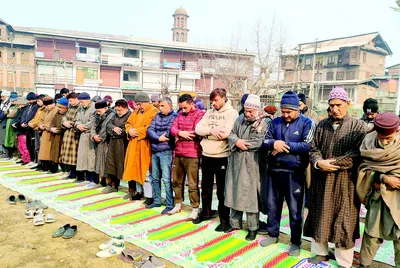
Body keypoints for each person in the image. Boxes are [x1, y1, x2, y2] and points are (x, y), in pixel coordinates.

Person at [304, 87, 367, 267]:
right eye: (331, 105)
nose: (334, 109)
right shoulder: (322, 125)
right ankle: (321, 253)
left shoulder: (358, 126)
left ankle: (344, 261)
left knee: (344, 220)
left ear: (348, 104)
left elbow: (357, 153)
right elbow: (313, 148)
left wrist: (332, 163)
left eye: (338, 105)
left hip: (345, 182)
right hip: (321, 181)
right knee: (319, 215)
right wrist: (318, 162)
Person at [260, 91, 315, 256]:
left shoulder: (307, 123)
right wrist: (273, 143)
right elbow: (265, 141)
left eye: (288, 112)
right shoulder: (275, 122)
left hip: (294, 173)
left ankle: (295, 242)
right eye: (283, 111)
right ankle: (272, 234)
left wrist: (283, 146)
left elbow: (307, 145)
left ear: (297, 109)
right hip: (274, 170)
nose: (285, 115)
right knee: (272, 205)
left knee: (295, 210)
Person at [357, 112, 400, 267]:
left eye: (388, 138)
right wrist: (383, 178)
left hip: (398, 199)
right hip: (377, 197)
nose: (383, 141)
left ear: (397, 131)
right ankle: (364, 264)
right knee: (371, 233)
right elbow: (363, 169)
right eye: (380, 137)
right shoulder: (368, 141)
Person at [224, 94, 268, 241]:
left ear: (257, 109)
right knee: (234, 191)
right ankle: (234, 223)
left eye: (251, 111)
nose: (248, 114)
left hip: (252, 164)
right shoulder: (239, 119)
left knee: (251, 196)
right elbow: (231, 134)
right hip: (236, 161)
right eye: (246, 110)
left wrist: (242, 143)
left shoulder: (265, 121)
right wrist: (236, 142)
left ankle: (253, 227)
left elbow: (260, 141)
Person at [194, 88, 239, 232]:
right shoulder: (209, 112)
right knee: (205, 188)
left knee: (221, 191)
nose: (214, 103)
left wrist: (207, 133)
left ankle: (224, 220)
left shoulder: (232, 113)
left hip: (222, 157)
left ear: (224, 98)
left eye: (216, 100)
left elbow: (226, 133)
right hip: (207, 154)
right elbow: (198, 129)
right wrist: (211, 131)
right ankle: (205, 213)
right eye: (212, 101)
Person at [168, 94, 204, 219]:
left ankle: (195, 207)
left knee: (193, 184)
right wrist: (180, 132)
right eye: (181, 108)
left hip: (192, 153)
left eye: (185, 107)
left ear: (191, 103)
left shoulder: (200, 115)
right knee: (176, 181)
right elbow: (172, 128)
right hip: (178, 153)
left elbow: (196, 132)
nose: (183, 110)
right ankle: (178, 204)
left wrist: (179, 135)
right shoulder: (179, 115)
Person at [122, 92, 158, 203]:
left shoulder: (154, 112)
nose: (137, 107)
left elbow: (150, 128)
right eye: (136, 104)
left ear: (145, 102)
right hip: (134, 145)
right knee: (135, 170)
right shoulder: (136, 112)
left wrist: (136, 131)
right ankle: (139, 192)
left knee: (146, 172)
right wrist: (129, 131)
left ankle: (150, 196)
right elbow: (128, 123)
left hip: (145, 145)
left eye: (139, 104)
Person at [146, 97, 177, 213]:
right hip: (155, 150)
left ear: (170, 105)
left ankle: (169, 203)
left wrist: (158, 137)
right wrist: (158, 138)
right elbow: (150, 129)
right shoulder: (158, 116)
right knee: (155, 178)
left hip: (166, 151)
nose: (160, 108)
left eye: (163, 106)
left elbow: (169, 133)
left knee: (166, 179)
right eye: (160, 106)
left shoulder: (174, 117)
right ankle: (157, 200)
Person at [104, 99, 132, 193]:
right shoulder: (114, 115)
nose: (117, 112)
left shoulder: (130, 116)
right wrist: (113, 128)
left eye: (120, 110)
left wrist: (114, 132)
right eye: (116, 110)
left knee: (123, 165)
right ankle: (113, 185)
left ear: (125, 108)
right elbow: (108, 125)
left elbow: (124, 130)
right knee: (112, 163)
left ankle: (131, 190)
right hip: (113, 143)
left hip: (124, 144)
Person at [75, 92, 97, 187]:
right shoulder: (80, 108)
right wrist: (77, 125)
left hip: (90, 135)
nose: (81, 103)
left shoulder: (94, 108)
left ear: (88, 100)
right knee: (83, 158)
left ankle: (94, 180)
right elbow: (77, 119)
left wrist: (83, 126)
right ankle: (87, 178)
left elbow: (93, 121)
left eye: (82, 101)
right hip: (83, 135)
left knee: (91, 158)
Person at [91, 100, 114, 187]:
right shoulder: (96, 116)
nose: (98, 112)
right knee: (99, 162)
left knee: (106, 162)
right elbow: (93, 127)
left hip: (106, 142)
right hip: (98, 142)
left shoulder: (111, 116)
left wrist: (99, 137)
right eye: (97, 111)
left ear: (105, 108)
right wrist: (94, 136)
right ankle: (102, 180)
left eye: (99, 111)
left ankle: (109, 183)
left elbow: (107, 129)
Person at [59, 92, 82, 180]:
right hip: (67, 133)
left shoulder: (80, 107)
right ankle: (70, 172)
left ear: (76, 99)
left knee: (74, 155)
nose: (70, 102)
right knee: (67, 154)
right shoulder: (70, 107)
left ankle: (76, 174)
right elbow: (64, 116)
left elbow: (78, 119)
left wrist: (70, 122)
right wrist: (65, 122)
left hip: (75, 133)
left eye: (71, 101)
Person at [38, 96, 60, 173]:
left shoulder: (56, 110)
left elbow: (54, 122)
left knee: (50, 152)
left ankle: (52, 168)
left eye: (47, 105)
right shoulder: (47, 110)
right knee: (44, 151)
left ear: (53, 104)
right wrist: (40, 125)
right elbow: (41, 119)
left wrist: (46, 126)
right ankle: (45, 166)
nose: (46, 107)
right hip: (45, 133)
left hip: (51, 134)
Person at [49, 98, 69, 175]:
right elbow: (52, 123)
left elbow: (65, 125)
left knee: (63, 154)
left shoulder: (67, 114)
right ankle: (61, 169)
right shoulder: (57, 113)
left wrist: (58, 129)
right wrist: (51, 128)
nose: (59, 109)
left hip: (63, 137)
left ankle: (65, 170)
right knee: (55, 154)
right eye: (58, 107)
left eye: (61, 107)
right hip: (55, 137)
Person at [28, 94, 47, 170]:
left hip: (40, 130)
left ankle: (43, 164)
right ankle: (39, 163)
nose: (38, 102)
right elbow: (35, 118)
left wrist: (33, 124)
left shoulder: (45, 110)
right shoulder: (39, 109)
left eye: (39, 101)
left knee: (42, 148)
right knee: (37, 147)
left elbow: (40, 120)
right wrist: (30, 122)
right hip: (35, 129)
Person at [21, 92, 39, 164]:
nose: (29, 101)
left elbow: (32, 116)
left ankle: (35, 159)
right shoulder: (28, 106)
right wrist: (23, 122)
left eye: (30, 100)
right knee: (28, 144)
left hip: (32, 127)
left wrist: (27, 123)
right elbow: (24, 115)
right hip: (27, 128)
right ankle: (31, 159)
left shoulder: (36, 106)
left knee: (33, 145)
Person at [11, 97, 30, 164]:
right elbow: (15, 118)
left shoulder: (25, 110)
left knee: (24, 145)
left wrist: (16, 124)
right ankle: (23, 158)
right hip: (19, 130)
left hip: (23, 130)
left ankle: (27, 159)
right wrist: (13, 123)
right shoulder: (20, 109)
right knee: (20, 146)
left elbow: (21, 120)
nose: (18, 105)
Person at [4, 93, 19, 159]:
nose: (12, 102)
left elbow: (12, 114)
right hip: (8, 122)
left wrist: (9, 114)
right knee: (8, 137)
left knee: (13, 138)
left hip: (13, 121)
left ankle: (14, 154)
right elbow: (5, 112)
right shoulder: (10, 105)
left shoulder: (17, 106)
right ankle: (10, 154)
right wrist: (8, 108)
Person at [0, 90, 12, 156]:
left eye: (3, 97)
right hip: (2, 121)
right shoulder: (2, 103)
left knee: (5, 138)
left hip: (5, 122)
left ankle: (7, 153)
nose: (2, 98)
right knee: (2, 138)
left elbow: (5, 112)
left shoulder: (9, 103)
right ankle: (5, 153)